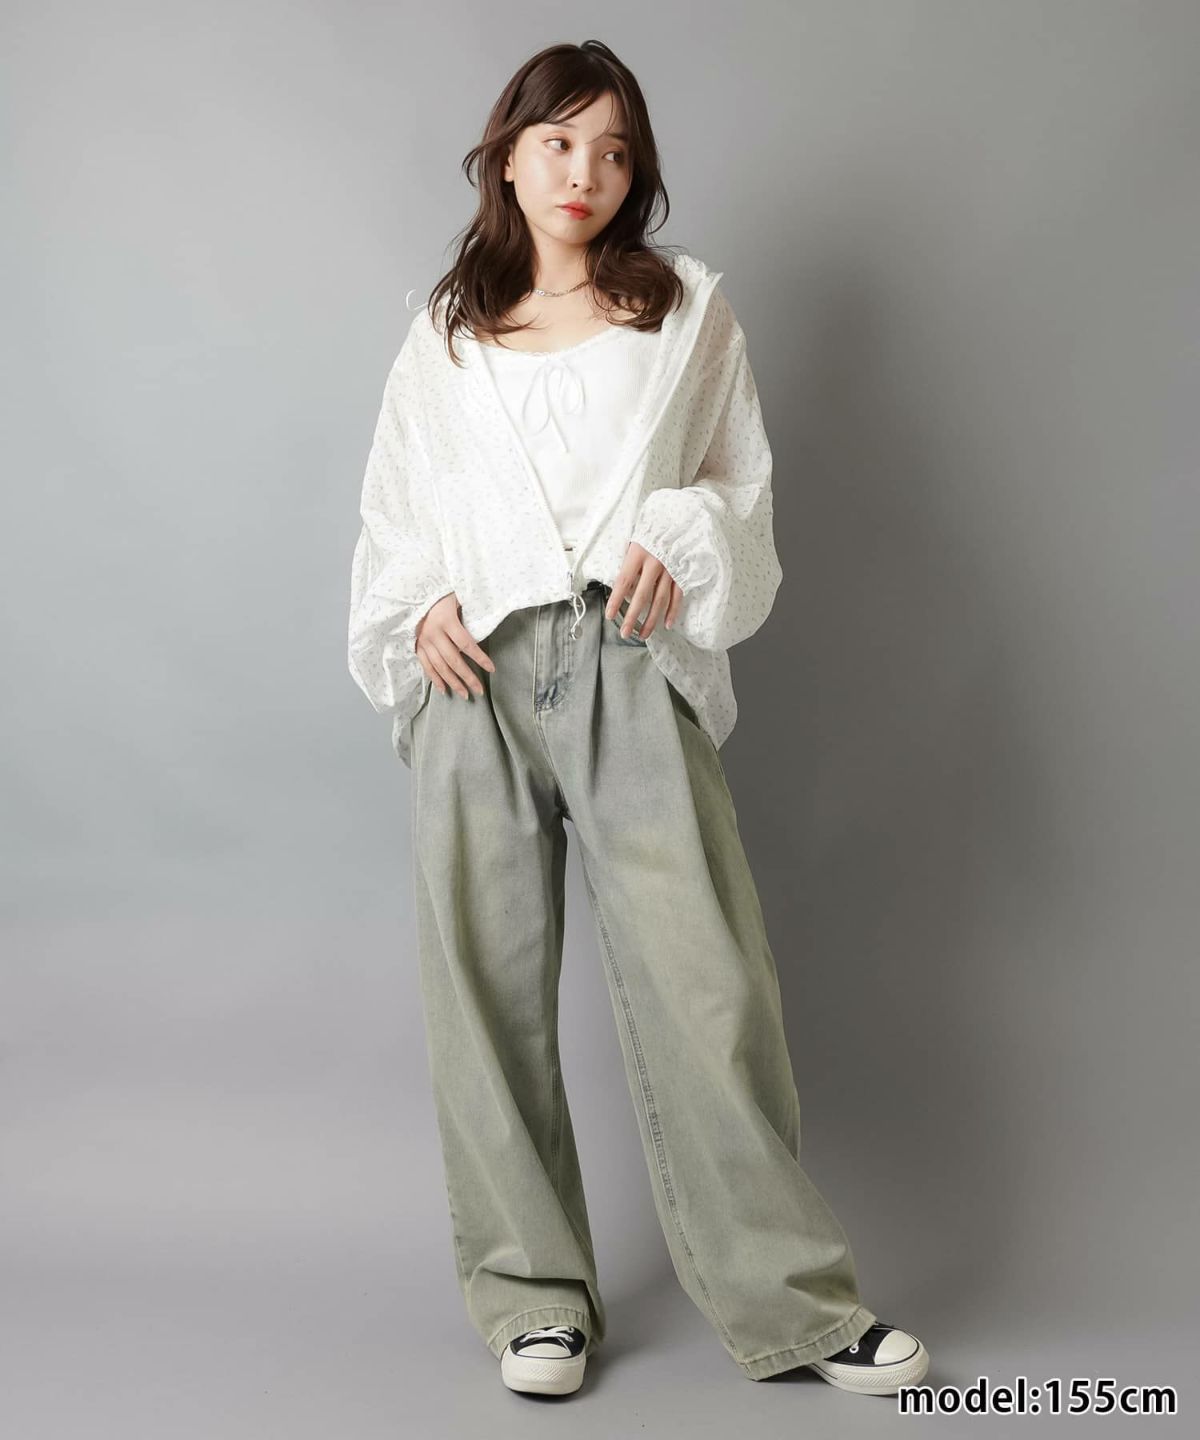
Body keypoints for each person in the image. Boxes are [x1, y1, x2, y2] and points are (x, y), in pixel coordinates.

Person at [347, 39, 930, 1399]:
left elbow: (736, 484)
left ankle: (795, 1304)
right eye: (558, 142)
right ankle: (533, 1302)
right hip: (476, 679)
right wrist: (416, 604)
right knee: (484, 992)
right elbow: (398, 506)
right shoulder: (446, 332)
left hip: (625, 658)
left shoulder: (688, 315)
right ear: (507, 157)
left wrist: (678, 530)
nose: (585, 173)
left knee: (709, 986)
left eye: (613, 151)